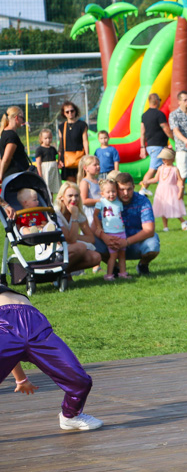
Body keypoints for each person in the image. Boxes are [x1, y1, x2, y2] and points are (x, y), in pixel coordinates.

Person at [1, 286, 103, 431]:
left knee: (80, 380)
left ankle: (70, 416)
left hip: (35, 324)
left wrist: (21, 379)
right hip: (3, 325)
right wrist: (20, 378)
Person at [91, 172, 159, 276]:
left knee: (153, 244)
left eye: (129, 189)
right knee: (92, 241)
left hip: (136, 243)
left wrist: (126, 242)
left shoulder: (143, 201)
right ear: (116, 188)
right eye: (122, 189)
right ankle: (116, 267)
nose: (125, 193)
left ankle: (142, 265)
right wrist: (104, 237)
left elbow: (149, 230)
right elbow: (93, 227)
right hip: (112, 242)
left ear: (134, 187)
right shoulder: (106, 202)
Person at [52, 182, 103, 274]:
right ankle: (57, 273)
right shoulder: (56, 213)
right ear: (61, 197)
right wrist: (74, 217)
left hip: (69, 246)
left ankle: (64, 273)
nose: (74, 199)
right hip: (54, 249)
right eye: (70, 196)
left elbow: (91, 239)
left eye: (76, 196)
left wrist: (75, 235)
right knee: (80, 247)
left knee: (96, 257)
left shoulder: (77, 210)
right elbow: (70, 240)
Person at [169, 91, 187, 211]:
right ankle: (179, 202)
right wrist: (185, 140)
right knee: (181, 176)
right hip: (181, 149)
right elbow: (175, 131)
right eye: (185, 100)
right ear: (179, 101)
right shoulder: (174, 115)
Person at [139, 93, 172, 195]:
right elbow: (165, 128)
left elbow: (142, 132)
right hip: (158, 146)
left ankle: (165, 189)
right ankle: (142, 189)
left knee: (161, 168)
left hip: (150, 145)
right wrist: (174, 138)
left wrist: (142, 147)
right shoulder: (159, 114)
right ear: (157, 101)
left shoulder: (144, 115)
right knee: (152, 169)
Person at [95, 179, 128, 281]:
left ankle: (123, 273)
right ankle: (109, 275)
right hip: (110, 233)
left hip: (121, 232)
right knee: (113, 255)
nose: (111, 194)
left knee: (122, 254)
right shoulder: (101, 202)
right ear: (102, 193)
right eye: (108, 192)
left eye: (113, 191)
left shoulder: (119, 203)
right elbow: (95, 215)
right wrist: (99, 228)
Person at [150, 148, 187, 232]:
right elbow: (155, 179)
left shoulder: (175, 169)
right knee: (163, 208)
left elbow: (180, 180)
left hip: (171, 190)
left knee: (173, 207)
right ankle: (165, 226)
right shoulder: (161, 168)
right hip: (161, 190)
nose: (163, 160)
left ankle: (183, 221)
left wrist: (180, 191)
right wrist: (146, 181)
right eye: (162, 159)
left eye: (165, 158)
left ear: (171, 159)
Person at [58, 101, 89, 182]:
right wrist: (59, 159)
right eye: (67, 112)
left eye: (72, 111)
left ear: (75, 111)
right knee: (71, 184)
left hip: (80, 158)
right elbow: (61, 144)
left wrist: (87, 156)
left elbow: (85, 141)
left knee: (81, 182)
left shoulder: (82, 125)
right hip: (68, 159)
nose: (70, 113)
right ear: (64, 113)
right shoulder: (61, 127)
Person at [0, 106, 32, 182]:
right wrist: (1, 175)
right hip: (15, 176)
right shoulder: (12, 136)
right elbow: (6, 158)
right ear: (17, 118)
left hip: (12, 175)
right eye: (22, 118)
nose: (23, 121)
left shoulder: (4, 133)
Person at [35, 129, 61, 199]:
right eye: (45, 138)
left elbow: (56, 158)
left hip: (53, 170)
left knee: (52, 187)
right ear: (41, 139)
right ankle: (46, 201)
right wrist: (40, 174)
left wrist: (59, 163)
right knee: (46, 187)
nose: (48, 140)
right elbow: (38, 163)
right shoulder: (39, 149)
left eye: (49, 138)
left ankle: (51, 201)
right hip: (45, 170)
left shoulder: (52, 149)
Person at [77, 155, 101, 225]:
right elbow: (84, 200)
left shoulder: (98, 181)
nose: (98, 167)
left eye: (98, 164)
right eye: (95, 165)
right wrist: (100, 200)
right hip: (90, 212)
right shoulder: (85, 182)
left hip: (98, 211)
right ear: (85, 168)